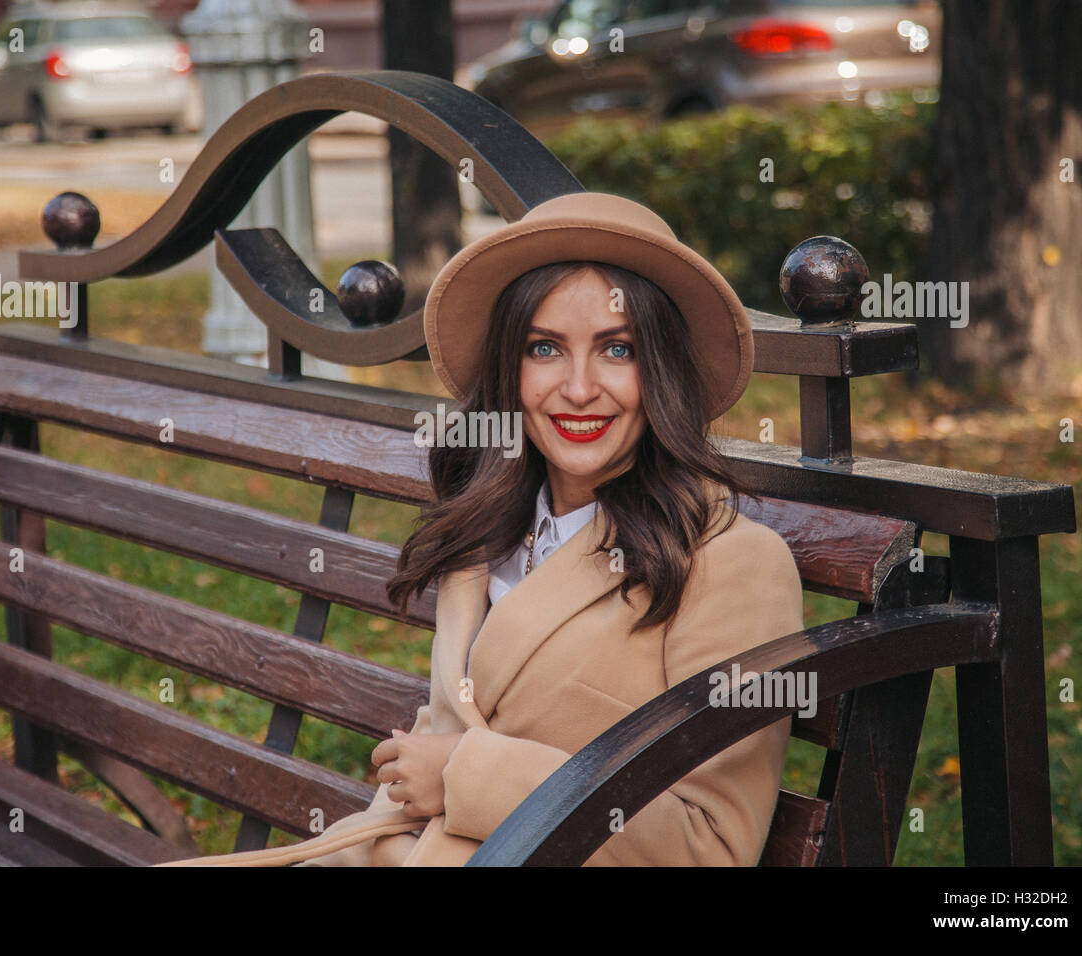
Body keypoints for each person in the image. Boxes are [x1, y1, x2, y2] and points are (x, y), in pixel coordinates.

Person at [155, 192, 805, 867]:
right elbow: (417, 786)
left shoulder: (731, 564)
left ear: (662, 369)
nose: (579, 389)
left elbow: (712, 846)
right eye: (545, 348)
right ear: (509, 368)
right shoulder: (488, 535)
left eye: (617, 350)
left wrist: (470, 776)